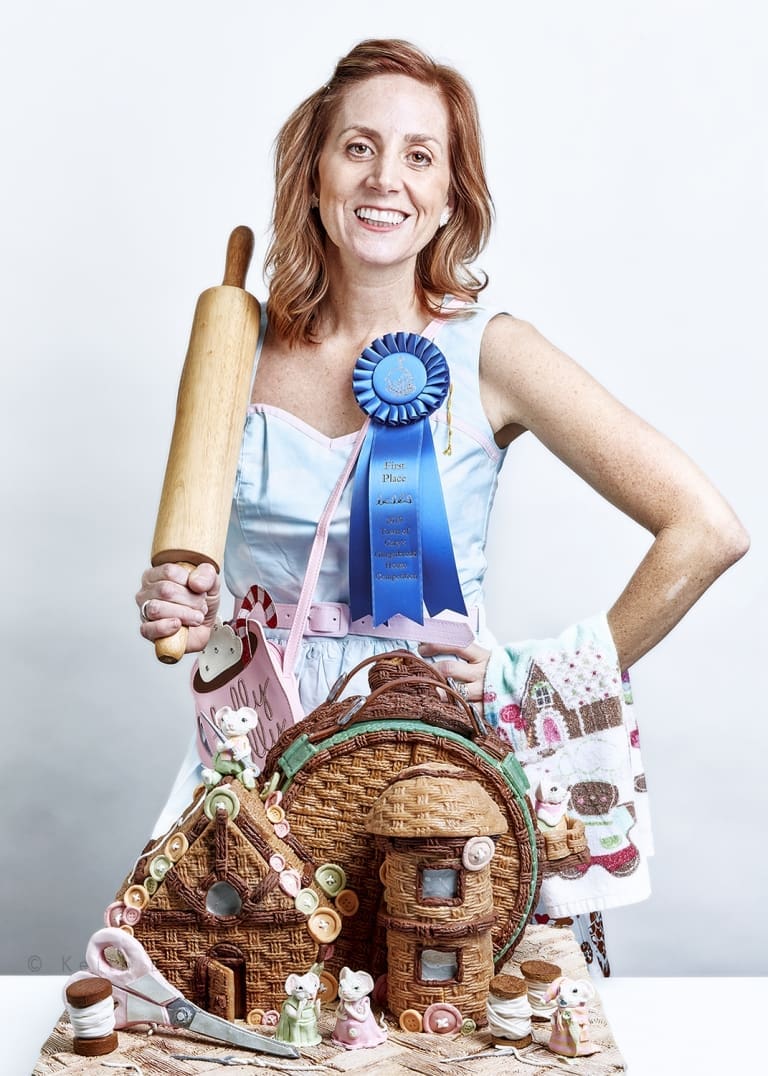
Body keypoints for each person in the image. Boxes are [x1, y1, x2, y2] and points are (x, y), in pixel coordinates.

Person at [135, 38, 748, 968]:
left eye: (421, 155)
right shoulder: (236, 351)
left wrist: (533, 682)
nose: (387, 178)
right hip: (258, 754)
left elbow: (708, 529)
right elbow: (204, 582)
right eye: (359, 147)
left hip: (435, 748)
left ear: (452, 194)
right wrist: (179, 601)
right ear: (314, 172)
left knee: (444, 1002)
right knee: (251, 1009)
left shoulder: (491, 355)